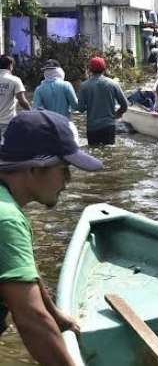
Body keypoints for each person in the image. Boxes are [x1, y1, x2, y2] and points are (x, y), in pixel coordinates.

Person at [0, 110, 103, 366]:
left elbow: (23, 272)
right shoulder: (7, 218)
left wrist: (54, 314)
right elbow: (31, 320)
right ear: (35, 168)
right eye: (64, 170)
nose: (68, 181)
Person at [77, 57, 128, 146]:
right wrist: (117, 114)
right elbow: (125, 105)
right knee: (110, 154)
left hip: (92, 127)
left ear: (90, 70)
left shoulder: (84, 86)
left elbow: (80, 108)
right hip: (109, 126)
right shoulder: (113, 84)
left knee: (94, 154)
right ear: (104, 69)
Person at [0, 56, 31, 138]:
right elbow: (22, 101)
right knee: (5, 148)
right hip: (7, 121)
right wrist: (31, 111)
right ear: (10, 65)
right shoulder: (14, 80)